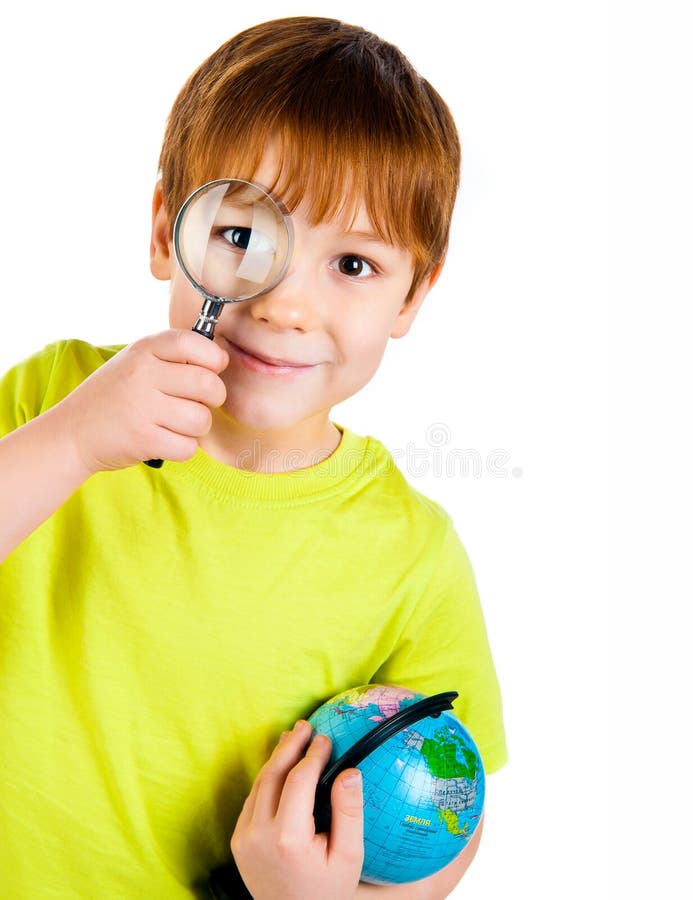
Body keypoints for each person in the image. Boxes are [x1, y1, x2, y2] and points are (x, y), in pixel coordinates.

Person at [0, 16, 507, 899]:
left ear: (413, 296)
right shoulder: (58, 396)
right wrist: (74, 440)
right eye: (242, 237)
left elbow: (449, 814)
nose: (285, 306)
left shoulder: (412, 554)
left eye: (352, 263)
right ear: (168, 230)